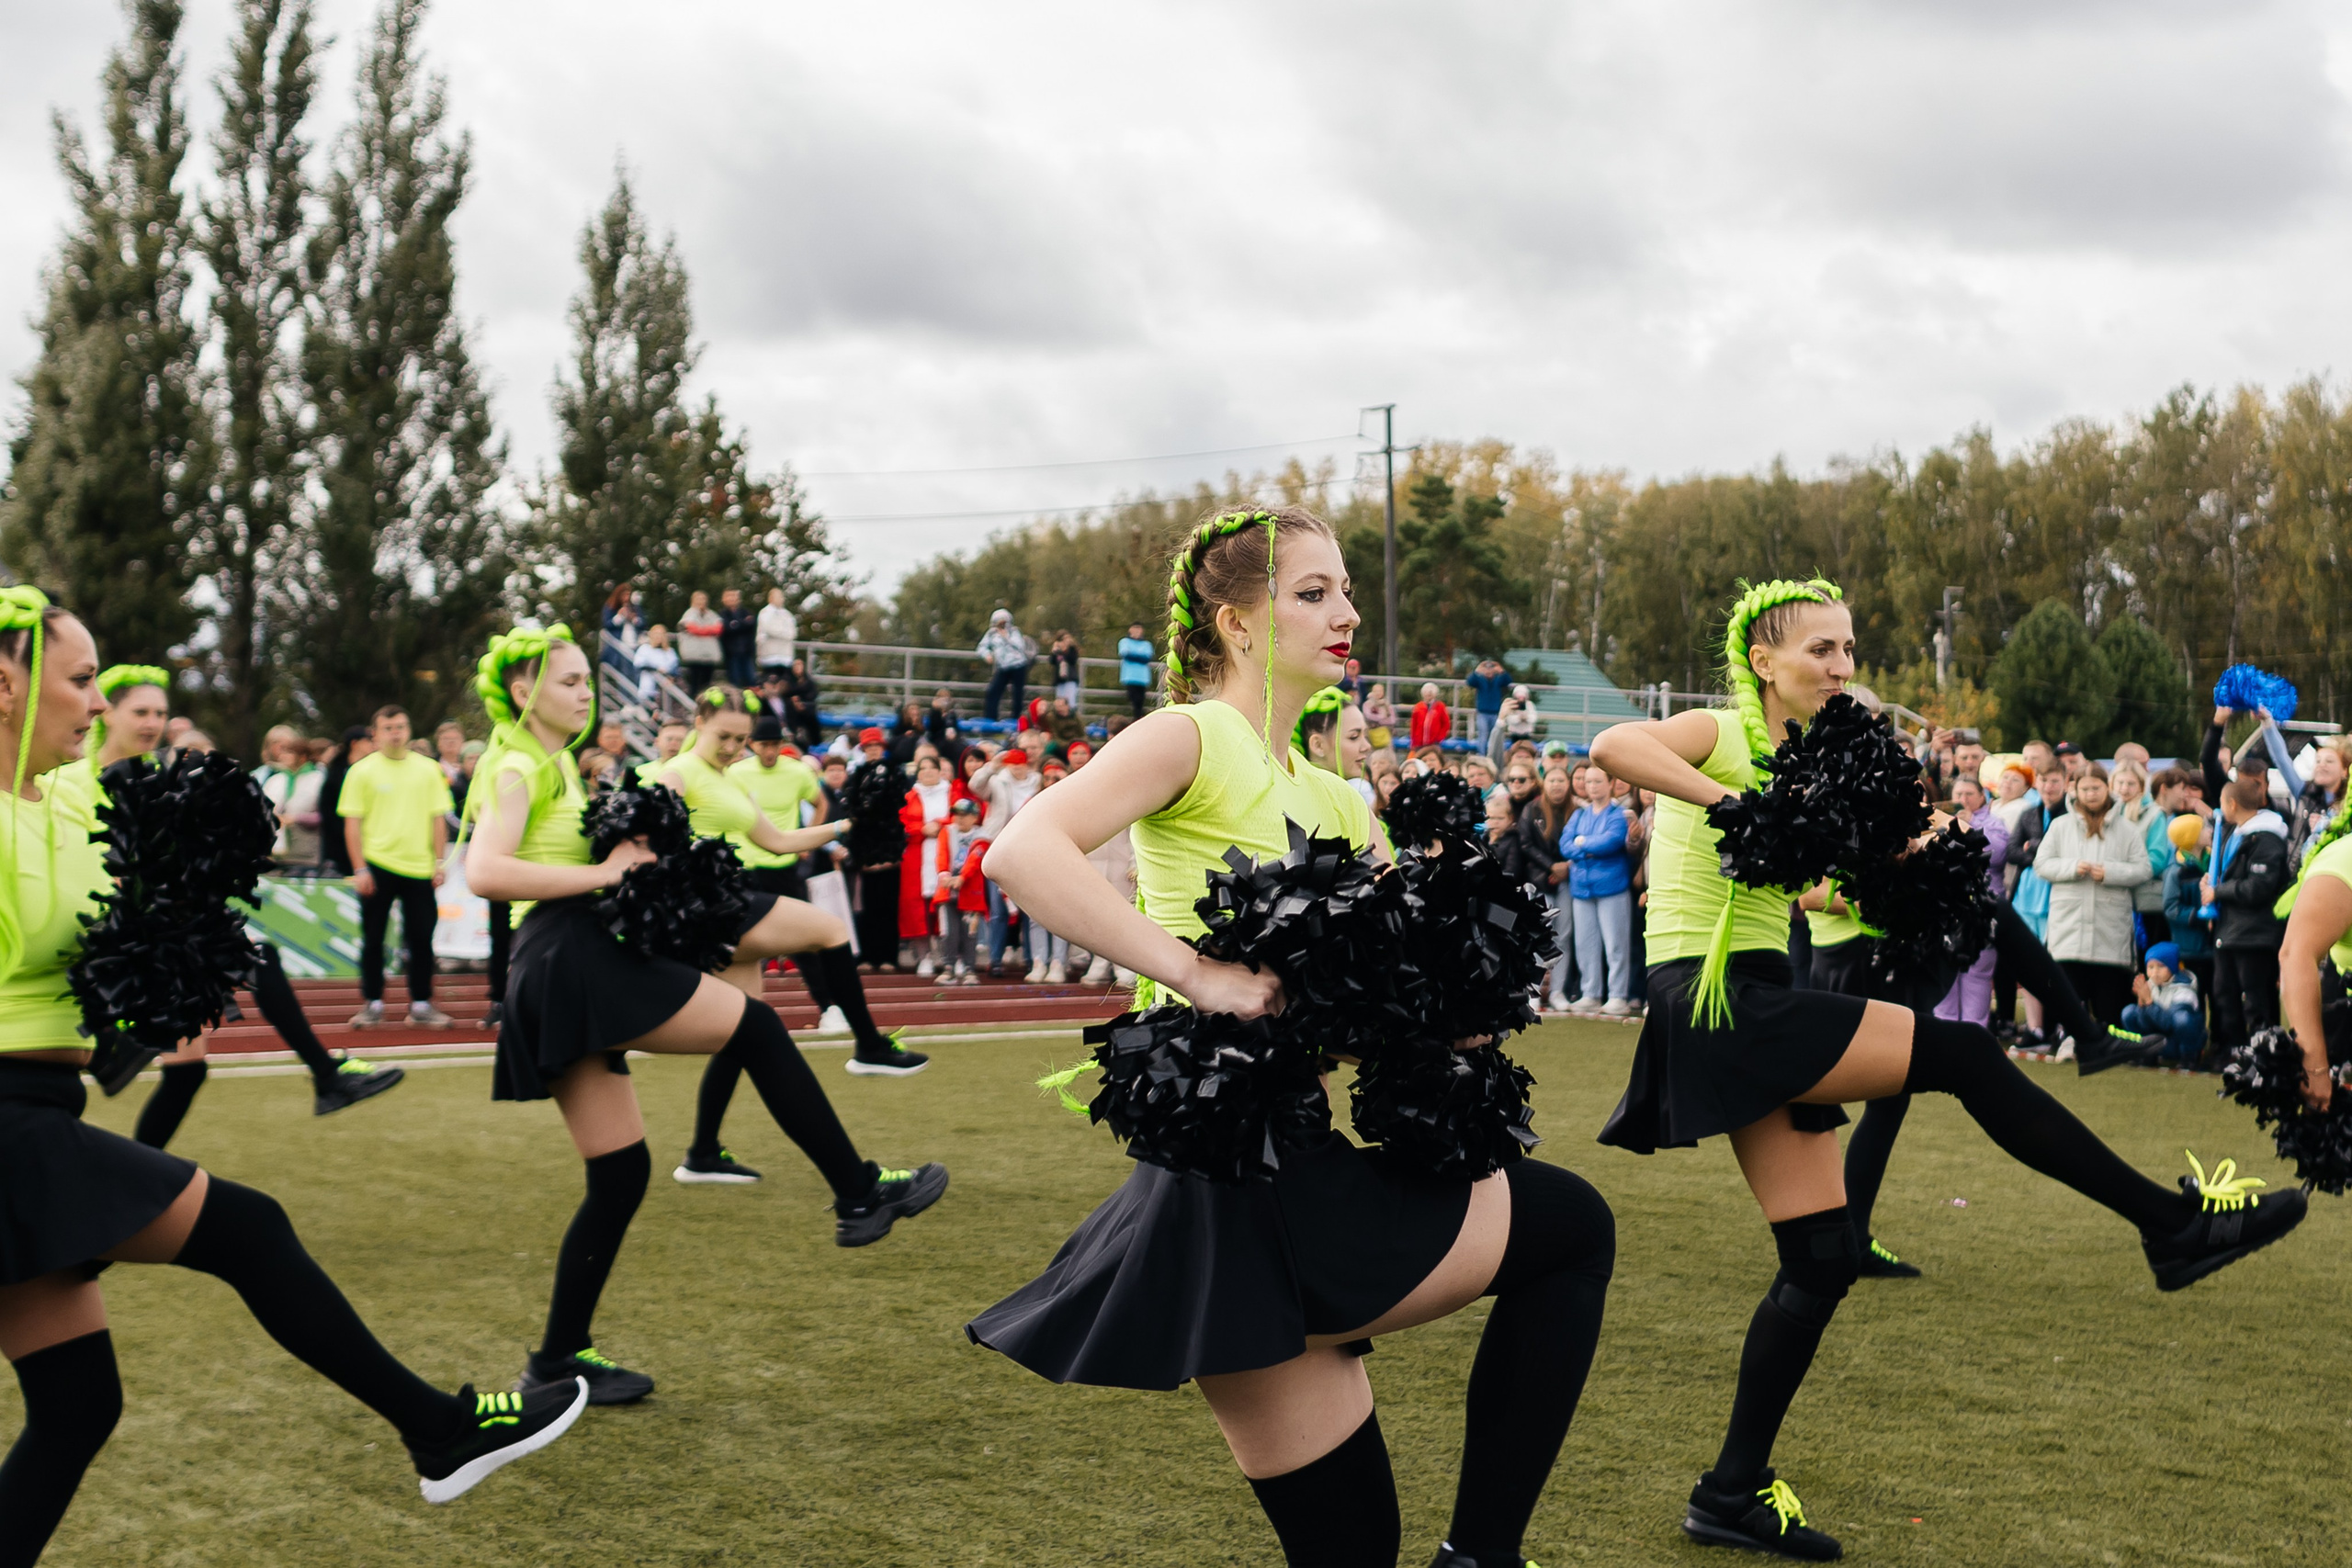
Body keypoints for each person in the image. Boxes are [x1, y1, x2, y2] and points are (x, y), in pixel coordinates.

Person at [1589, 577, 2303, 1560]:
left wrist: (1878, 879)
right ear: (1762, 660)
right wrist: (1734, 804)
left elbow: (1799, 885)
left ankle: (1727, 1492)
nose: (1841, 669)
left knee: (1821, 1259)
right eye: (1818, 652)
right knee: (1965, 1053)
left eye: (1848, 651)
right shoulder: (1718, 728)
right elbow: (1611, 748)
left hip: (1745, 990)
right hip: (1717, 1001)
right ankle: (2168, 1225)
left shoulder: (1812, 759)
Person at [967, 506, 1615, 1568]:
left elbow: (1354, 997)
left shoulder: (1338, 796)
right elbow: (1022, 852)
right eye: (1312, 593)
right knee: (1569, 1232)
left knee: (1355, 1547)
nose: (1346, 613)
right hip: (1230, 1188)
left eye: (1346, 590)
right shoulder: (1191, 734)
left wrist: (1450, 1015)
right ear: (1235, 624)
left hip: (1301, 1162)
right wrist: (1191, 972)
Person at [0, 594, 586, 1562]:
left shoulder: (69, 797)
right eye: (77, 682)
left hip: (43, 1108)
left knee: (76, 1406)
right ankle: (439, 1430)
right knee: (250, 1228)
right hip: (9, 1127)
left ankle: (438, 1434)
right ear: (7, 686)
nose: (98, 707)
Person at [463, 627, 948, 1406]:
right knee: (754, 1025)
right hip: (567, 954)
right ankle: (857, 1191)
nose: (585, 693)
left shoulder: (548, 759)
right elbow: (484, 870)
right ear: (524, 693)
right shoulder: (519, 761)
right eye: (568, 682)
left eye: (588, 680)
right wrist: (609, 868)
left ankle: (555, 1361)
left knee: (620, 1174)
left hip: (560, 960)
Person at [67, 667, 404, 1144]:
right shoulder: (83, 778)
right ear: (108, 711)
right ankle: (326, 1074)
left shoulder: (155, 778)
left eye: (160, 713)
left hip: (158, 927)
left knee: (188, 1071)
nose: (152, 722)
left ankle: (135, 1171)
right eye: (140, 711)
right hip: (112, 937)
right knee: (255, 957)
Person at [662, 693, 931, 1188]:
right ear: (698, 722)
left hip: (727, 900)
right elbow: (660, 802)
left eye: (740, 740)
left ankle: (701, 1152)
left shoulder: (727, 778)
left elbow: (780, 840)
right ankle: (868, 1045)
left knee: (741, 1028)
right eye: (723, 737)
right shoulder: (680, 771)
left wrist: (850, 825)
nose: (733, 747)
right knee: (829, 929)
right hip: (713, 903)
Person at [340, 706, 456, 1030]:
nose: (396, 733)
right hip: (377, 865)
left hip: (419, 867)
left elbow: (438, 819)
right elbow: (352, 824)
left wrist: (438, 861)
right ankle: (373, 1003)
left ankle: (421, 1004)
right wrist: (360, 868)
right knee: (374, 939)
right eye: (389, 727)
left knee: (421, 939)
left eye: (402, 726)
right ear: (375, 734)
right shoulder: (361, 772)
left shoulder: (429, 769)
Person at [2035, 763, 2151, 1030]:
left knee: (2108, 992)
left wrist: (2109, 872)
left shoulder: (2126, 829)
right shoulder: (2060, 825)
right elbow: (2042, 864)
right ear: (2075, 790)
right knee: (2070, 990)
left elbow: (2143, 868)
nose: (2090, 794)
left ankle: (2109, 1038)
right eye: (2084, 788)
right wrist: (2072, 868)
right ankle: (2068, 1038)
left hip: (2109, 925)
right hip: (2069, 925)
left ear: (2107, 788)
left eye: (2096, 788)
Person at [2204, 774, 2290, 1054]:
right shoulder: (2236, 833)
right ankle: (2235, 1052)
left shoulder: (2267, 839)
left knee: (2257, 999)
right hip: (2229, 930)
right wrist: (2211, 885)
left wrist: (2219, 892)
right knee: (2223, 993)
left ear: (2231, 803)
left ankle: (2265, 1056)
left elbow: (2259, 887)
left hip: (2255, 934)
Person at [1933, 775, 2006, 1028]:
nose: (1963, 799)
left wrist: (1971, 825)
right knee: (1945, 971)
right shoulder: (1938, 818)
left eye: (1969, 794)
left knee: (1977, 973)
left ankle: (1976, 1031)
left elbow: (1996, 854)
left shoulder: (1993, 822)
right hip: (1946, 908)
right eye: (1958, 794)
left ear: (1982, 797)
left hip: (1981, 910)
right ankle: (1944, 1029)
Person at [1562, 766, 1634, 1016]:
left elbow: (1611, 841)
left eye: (1598, 781)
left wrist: (1582, 843)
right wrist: (1586, 847)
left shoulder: (1618, 814)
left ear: (1610, 783)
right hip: (1581, 888)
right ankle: (1590, 992)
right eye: (1588, 781)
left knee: (1615, 944)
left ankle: (1617, 995)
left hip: (1612, 887)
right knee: (1585, 943)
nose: (1592, 786)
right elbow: (1565, 844)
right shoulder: (1579, 815)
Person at [899, 750, 967, 975]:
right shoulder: (911, 795)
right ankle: (925, 955)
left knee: (949, 905)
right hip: (918, 856)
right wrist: (921, 829)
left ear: (940, 770)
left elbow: (960, 815)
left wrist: (939, 824)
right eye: (923, 768)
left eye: (932, 767)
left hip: (947, 852)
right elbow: (905, 822)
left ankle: (953, 955)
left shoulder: (952, 791)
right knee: (918, 907)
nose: (927, 772)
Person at [1517, 767, 1577, 1011]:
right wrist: (1551, 865)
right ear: (1545, 783)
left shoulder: (1577, 811)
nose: (1556, 785)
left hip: (1569, 882)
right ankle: (1533, 990)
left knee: (1564, 937)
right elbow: (1526, 844)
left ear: (1568, 783)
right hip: (1539, 881)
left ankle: (1558, 991)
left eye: (1561, 780)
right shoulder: (1532, 809)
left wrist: (1567, 866)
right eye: (1552, 780)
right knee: (1538, 938)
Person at [2163, 813, 2215, 1037]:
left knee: (2218, 996)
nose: (2209, 831)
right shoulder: (2177, 871)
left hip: (2212, 945)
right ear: (2190, 837)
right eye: (2203, 828)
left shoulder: (2213, 862)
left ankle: (2218, 1041)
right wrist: (2198, 915)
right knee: (2194, 997)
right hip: (2190, 947)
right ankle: (2193, 1044)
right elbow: (2171, 907)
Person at [932, 797, 989, 982]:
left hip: (971, 893)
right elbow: (941, 855)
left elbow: (975, 860)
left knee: (969, 932)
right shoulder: (947, 832)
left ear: (974, 817)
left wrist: (962, 878)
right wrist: (944, 876)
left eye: (964, 815)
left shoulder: (982, 837)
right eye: (956, 814)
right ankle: (948, 967)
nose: (959, 819)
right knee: (948, 932)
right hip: (947, 891)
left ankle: (969, 969)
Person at [2122, 942, 2204, 1065]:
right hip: (2160, 1040)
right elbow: (2145, 1024)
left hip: (2176, 1042)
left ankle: (2189, 1057)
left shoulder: (2185, 991)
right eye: (2150, 967)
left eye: (2160, 967)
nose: (2155, 972)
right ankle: (2144, 1054)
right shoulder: (2150, 986)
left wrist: (2149, 1002)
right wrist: (2141, 1003)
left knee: (2182, 1019)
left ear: (2172, 967)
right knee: (2129, 1013)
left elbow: (2169, 1024)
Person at [316, 726, 370, 877]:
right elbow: (327, 806)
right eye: (368, 741)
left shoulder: (371, 768)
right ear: (354, 743)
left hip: (366, 838)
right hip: (338, 839)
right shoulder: (337, 771)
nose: (372, 745)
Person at [976, 610, 1035, 724]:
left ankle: (1017, 720)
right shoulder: (991, 634)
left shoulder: (1014, 632)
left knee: (1017, 693)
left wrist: (1006, 636)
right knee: (993, 691)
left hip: (1018, 666)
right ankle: (990, 719)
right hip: (1002, 667)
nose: (1001, 625)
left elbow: (1020, 646)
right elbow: (981, 647)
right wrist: (987, 655)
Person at [675, 592, 724, 694]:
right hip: (694, 655)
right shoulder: (689, 614)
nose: (701, 601)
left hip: (709, 656)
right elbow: (692, 628)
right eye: (698, 599)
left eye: (703, 599)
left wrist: (701, 630)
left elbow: (718, 629)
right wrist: (707, 630)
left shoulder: (712, 615)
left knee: (707, 684)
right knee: (695, 683)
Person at [1465, 658, 1510, 750]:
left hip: (1495, 713)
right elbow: (1470, 681)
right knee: (1482, 736)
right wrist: (1477, 671)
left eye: (1491, 669)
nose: (1488, 671)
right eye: (1486, 668)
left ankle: (1493, 755)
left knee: (1496, 735)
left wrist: (1501, 670)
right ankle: (1482, 755)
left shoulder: (1498, 680)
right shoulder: (1480, 680)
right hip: (1482, 713)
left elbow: (1508, 680)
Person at [718, 587, 757, 689]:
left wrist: (735, 624)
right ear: (723, 598)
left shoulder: (746, 612)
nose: (731, 598)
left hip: (747, 653)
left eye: (734, 595)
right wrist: (742, 623)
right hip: (731, 654)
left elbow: (751, 623)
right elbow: (727, 628)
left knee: (751, 682)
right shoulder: (722, 614)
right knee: (734, 683)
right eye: (728, 596)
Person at [631, 625, 678, 708]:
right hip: (648, 685)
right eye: (656, 633)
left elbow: (673, 667)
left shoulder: (670, 652)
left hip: (665, 687)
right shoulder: (645, 648)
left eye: (661, 634)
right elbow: (639, 663)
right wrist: (656, 669)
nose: (658, 636)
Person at [755, 586, 797, 680]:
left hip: (785, 654)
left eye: (781, 596)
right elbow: (769, 628)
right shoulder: (765, 612)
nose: (781, 599)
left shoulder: (787, 614)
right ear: (770, 598)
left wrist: (783, 633)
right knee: (770, 681)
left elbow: (792, 632)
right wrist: (783, 633)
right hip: (770, 653)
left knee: (785, 682)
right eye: (778, 596)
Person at [1492, 683, 1539, 765]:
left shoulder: (1530, 705)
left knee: (1527, 750)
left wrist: (1526, 718)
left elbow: (1534, 718)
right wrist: (1519, 718)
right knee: (1514, 750)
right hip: (1515, 734)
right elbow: (1509, 719)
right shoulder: (1512, 706)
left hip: (1526, 734)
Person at [1117, 622, 1155, 718]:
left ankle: (1137, 719)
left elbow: (1147, 657)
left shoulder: (1147, 644)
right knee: (1132, 701)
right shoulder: (1125, 641)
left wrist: (1133, 654)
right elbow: (1125, 653)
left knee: (1140, 703)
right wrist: (1139, 655)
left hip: (1142, 678)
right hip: (1130, 676)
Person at [1409, 682, 1452, 750]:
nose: (1428, 695)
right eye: (1426, 692)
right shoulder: (1418, 707)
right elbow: (1414, 725)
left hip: (1434, 742)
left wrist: (1439, 738)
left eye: (1431, 693)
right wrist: (1414, 741)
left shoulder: (1440, 706)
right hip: (1419, 743)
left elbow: (1446, 724)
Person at [1048, 630, 1082, 712]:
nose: (1066, 641)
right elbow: (1052, 661)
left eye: (1067, 638)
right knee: (1059, 703)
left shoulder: (1072, 650)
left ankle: (1072, 720)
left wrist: (1065, 650)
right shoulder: (1057, 651)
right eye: (1063, 639)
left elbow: (1072, 660)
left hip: (1070, 679)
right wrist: (1054, 651)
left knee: (1070, 703)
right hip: (1060, 680)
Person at [1362, 683, 1396, 752]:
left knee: (1386, 753)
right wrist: (1381, 717)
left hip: (1384, 734)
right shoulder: (1367, 704)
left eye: (1380, 691)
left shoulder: (1387, 705)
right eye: (1376, 691)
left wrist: (1381, 721)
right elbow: (1368, 716)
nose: (1378, 693)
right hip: (1370, 734)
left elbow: (1392, 720)